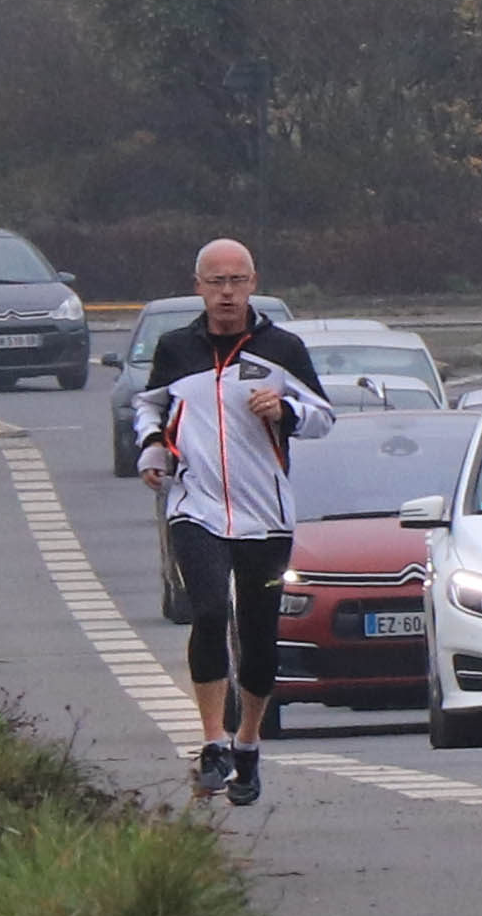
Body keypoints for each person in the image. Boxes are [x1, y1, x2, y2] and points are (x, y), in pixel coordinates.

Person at [134, 237, 333, 804]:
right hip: (194, 507)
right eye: (215, 281)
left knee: (258, 636)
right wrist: (153, 450)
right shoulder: (176, 349)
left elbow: (322, 416)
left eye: (237, 281)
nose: (226, 292)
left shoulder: (282, 349)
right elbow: (150, 404)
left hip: (264, 516)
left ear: (253, 284)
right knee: (209, 611)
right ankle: (212, 742)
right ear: (198, 286)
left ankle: (248, 743)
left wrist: (286, 409)